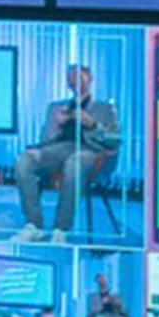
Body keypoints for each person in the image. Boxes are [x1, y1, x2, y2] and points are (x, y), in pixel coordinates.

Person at [13, 65, 120, 243]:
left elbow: (113, 140)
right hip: (59, 148)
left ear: (90, 78)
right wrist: (57, 125)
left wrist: (93, 125)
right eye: (70, 79)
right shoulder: (56, 107)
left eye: (79, 77)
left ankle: (61, 228)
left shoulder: (105, 108)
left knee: (74, 162)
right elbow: (46, 139)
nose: (74, 82)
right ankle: (34, 225)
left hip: (91, 151)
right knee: (23, 160)